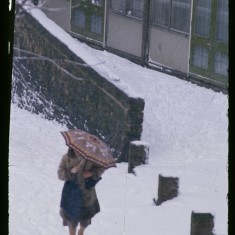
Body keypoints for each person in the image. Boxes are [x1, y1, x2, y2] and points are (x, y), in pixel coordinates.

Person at [58, 147, 105, 235]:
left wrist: (90, 173)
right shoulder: (66, 158)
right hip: (70, 195)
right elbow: (60, 174)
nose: (78, 150)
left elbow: (101, 168)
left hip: (87, 195)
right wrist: (71, 171)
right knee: (71, 220)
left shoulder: (91, 158)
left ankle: (81, 230)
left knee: (85, 220)